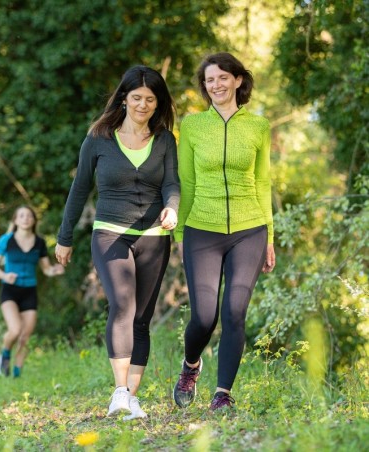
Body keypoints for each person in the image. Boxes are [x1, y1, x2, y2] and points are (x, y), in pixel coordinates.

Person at [55, 65, 179, 420]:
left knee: (142, 318)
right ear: (124, 98)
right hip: (110, 232)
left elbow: (171, 183)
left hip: (154, 236)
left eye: (150, 99)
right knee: (121, 305)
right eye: (136, 97)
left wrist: (171, 208)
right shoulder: (98, 137)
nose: (143, 105)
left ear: (158, 104)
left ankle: (132, 399)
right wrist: (65, 238)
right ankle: (119, 391)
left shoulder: (166, 139)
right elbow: (79, 189)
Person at [173, 52, 276, 412]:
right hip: (202, 227)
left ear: (237, 80)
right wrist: (180, 232)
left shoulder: (258, 126)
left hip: (250, 228)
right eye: (209, 80)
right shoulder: (192, 126)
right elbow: (186, 180)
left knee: (234, 311)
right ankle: (190, 366)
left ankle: (222, 394)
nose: (215, 85)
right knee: (204, 316)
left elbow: (263, 182)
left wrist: (270, 237)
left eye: (222, 78)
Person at [0, 205, 65, 378]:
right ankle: (5, 354)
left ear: (34, 221)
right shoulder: (6, 240)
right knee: (15, 330)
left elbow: (46, 269)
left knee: (25, 336)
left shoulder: (39, 242)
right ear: (15, 220)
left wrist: (55, 270)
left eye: (29, 216)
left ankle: (16, 374)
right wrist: (4, 275)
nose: (26, 218)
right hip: (10, 290)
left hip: (29, 291)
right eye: (21, 215)